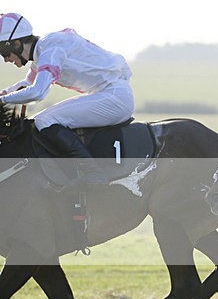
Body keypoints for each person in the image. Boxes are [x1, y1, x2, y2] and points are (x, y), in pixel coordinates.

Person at [0, 13, 134, 189]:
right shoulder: (43, 52)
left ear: (16, 44)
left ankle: (93, 172)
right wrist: (3, 94)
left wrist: (2, 100)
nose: (6, 59)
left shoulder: (51, 49)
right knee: (42, 120)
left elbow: (38, 92)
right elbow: (27, 84)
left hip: (115, 97)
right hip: (108, 94)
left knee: (44, 120)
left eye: (3, 52)